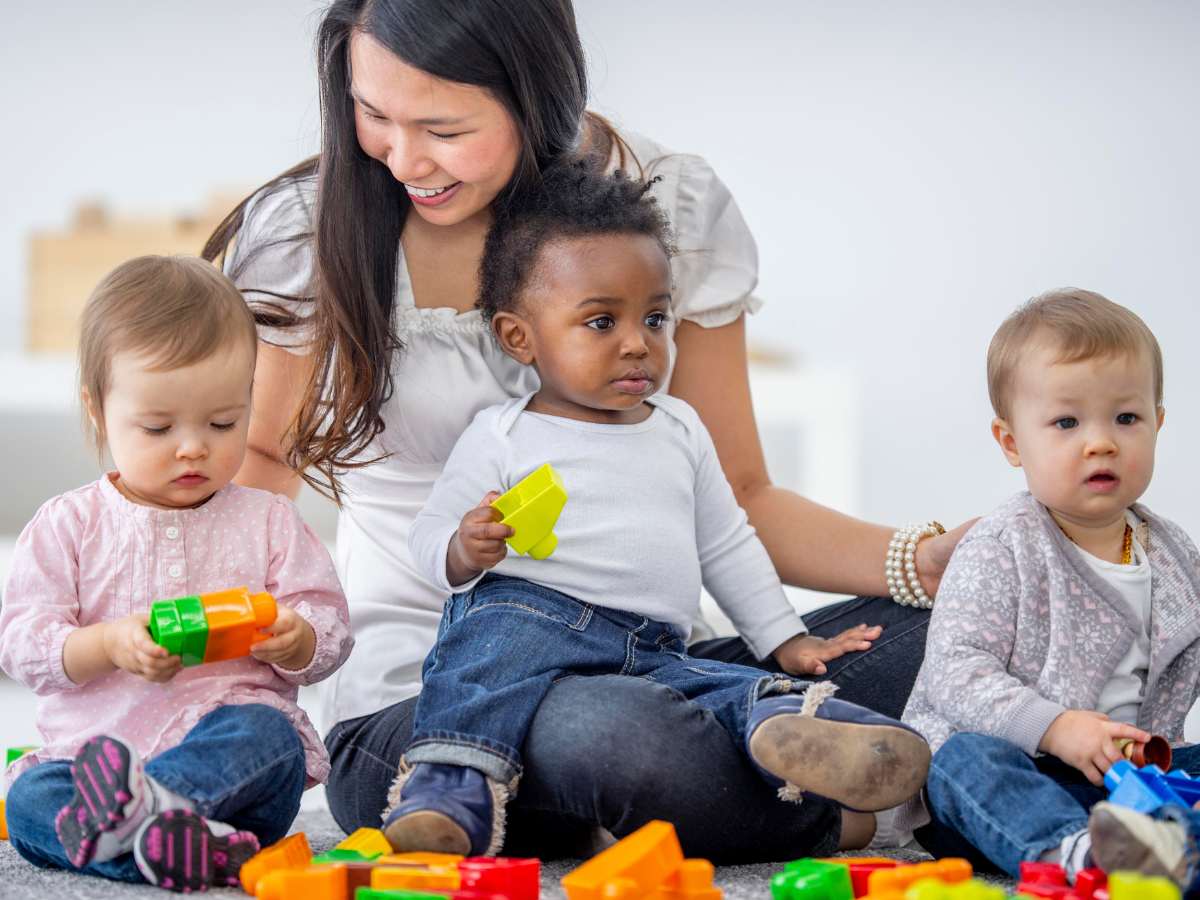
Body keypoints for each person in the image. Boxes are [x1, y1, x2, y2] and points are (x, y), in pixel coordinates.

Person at [206, 0, 968, 861]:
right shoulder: (312, 230)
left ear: (537, 91)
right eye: (372, 113)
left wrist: (927, 562)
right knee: (603, 729)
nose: (402, 158)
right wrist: (232, 665)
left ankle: (749, 745)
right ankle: (868, 803)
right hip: (428, 700)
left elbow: (739, 501)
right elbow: (262, 466)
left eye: (443, 127)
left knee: (962, 623)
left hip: (652, 655)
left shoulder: (660, 206)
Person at [386, 164, 931, 856]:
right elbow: (429, 537)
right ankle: (450, 785)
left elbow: (729, 545)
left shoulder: (678, 428)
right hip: (534, 623)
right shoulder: (503, 433)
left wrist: (786, 641)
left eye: (655, 317)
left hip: (654, 646)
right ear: (521, 338)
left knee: (714, 685)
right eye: (601, 321)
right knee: (482, 650)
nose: (638, 342)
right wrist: (466, 547)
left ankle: (805, 724)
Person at [0, 256, 354, 892]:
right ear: (98, 410)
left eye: (224, 423)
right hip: (93, 755)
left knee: (268, 735)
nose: (194, 446)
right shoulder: (68, 524)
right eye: (159, 427)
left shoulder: (269, 521)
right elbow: (21, 646)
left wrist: (299, 639)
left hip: (229, 765)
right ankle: (186, 847)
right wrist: (106, 645)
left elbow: (327, 625)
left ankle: (145, 822)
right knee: (29, 800)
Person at [898, 290, 1200, 881]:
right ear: (1012, 443)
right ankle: (1074, 855)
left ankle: (1162, 848)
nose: (1101, 441)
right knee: (960, 762)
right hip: (1023, 776)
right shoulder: (1002, 545)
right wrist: (1056, 728)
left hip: (1134, 783)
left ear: (1157, 424)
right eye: (1067, 422)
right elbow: (955, 671)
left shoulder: (1174, 553)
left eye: (1127, 418)